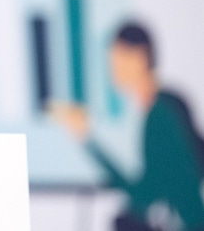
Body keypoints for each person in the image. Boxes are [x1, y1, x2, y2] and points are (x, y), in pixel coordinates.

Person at [52, 22, 204, 231]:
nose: (113, 71)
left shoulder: (161, 114)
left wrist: (89, 141)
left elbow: (144, 193)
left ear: (140, 58)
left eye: (118, 62)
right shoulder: (166, 105)